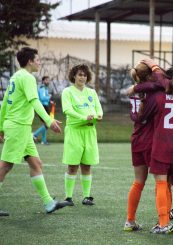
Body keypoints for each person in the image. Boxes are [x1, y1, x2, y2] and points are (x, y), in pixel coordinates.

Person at [0, 47, 67, 215]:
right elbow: (35, 101)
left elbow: (5, 104)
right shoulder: (28, 78)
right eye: (38, 59)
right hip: (18, 127)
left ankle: (48, 203)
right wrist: (48, 120)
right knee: (5, 166)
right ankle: (48, 202)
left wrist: (1, 126)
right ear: (30, 61)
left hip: (19, 127)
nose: (39, 62)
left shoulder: (16, 77)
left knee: (36, 164)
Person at [136, 67, 173, 234]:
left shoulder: (158, 97)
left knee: (161, 183)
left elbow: (142, 118)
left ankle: (163, 223)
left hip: (162, 144)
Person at [61, 64, 103, 206]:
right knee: (72, 165)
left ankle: (86, 196)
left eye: (85, 75)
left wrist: (98, 116)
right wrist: (83, 118)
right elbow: (67, 110)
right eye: (79, 74)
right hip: (74, 131)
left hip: (89, 131)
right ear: (74, 76)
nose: (82, 77)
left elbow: (99, 109)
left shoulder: (91, 93)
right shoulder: (67, 92)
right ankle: (68, 197)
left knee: (87, 165)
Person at [124, 63, 156, 231]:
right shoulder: (152, 90)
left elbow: (135, 116)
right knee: (162, 181)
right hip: (151, 139)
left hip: (136, 138)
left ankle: (129, 220)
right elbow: (158, 83)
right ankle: (163, 221)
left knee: (138, 182)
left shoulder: (134, 92)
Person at [33, 76, 52, 145]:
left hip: (45, 106)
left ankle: (43, 141)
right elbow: (42, 98)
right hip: (43, 107)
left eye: (48, 80)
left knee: (45, 124)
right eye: (46, 80)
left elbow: (46, 99)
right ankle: (34, 135)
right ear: (43, 81)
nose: (48, 81)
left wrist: (50, 101)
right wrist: (49, 97)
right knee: (48, 124)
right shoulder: (42, 88)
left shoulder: (45, 88)